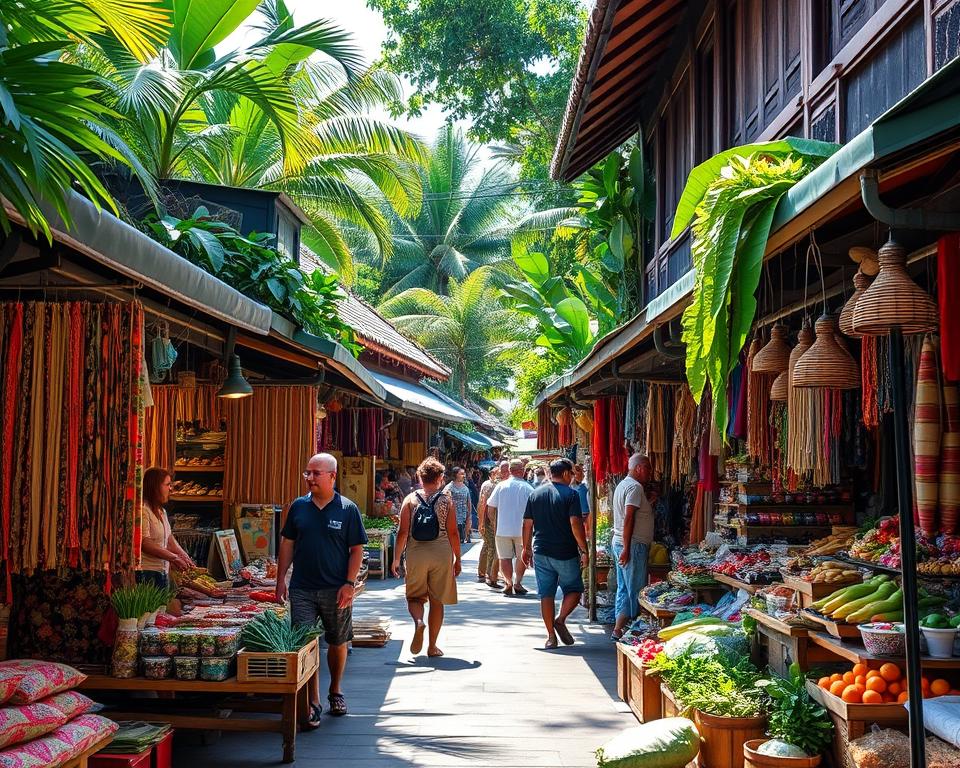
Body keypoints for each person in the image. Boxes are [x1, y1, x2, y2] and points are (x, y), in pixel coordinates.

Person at [276, 453, 366, 724]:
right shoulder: (297, 507)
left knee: (337, 640)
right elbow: (287, 544)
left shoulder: (348, 509)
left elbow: (356, 550)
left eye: (316, 473)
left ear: (332, 476)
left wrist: (349, 584)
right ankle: (312, 699)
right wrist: (281, 580)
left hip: (335, 588)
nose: (310, 478)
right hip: (302, 587)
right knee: (306, 643)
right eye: (307, 473)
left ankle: (335, 690)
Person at [392, 457, 461, 657]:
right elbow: (453, 532)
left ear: (419, 477)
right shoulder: (446, 500)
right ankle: (432, 646)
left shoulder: (410, 499)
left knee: (414, 597)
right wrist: (457, 558)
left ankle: (418, 622)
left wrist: (396, 559)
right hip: (441, 553)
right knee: (436, 600)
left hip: (416, 553)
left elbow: (402, 532)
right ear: (440, 478)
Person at [521, 458, 588, 648]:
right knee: (574, 590)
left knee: (546, 594)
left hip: (541, 550)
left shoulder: (536, 494)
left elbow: (527, 524)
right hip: (565, 551)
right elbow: (576, 524)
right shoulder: (572, 494)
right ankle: (560, 619)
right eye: (572, 474)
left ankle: (551, 636)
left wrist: (526, 548)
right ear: (566, 474)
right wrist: (584, 549)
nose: (573, 478)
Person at [611, 453, 654, 641]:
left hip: (622, 542)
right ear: (638, 468)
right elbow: (629, 518)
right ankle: (633, 630)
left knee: (624, 587)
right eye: (648, 468)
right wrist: (627, 548)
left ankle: (618, 628)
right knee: (636, 589)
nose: (650, 472)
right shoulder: (635, 488)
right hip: (632, 544)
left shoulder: (623, 485)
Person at [138, 467, 194, 589]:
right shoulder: (143, 510)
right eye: (167, 484)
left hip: (162, 570)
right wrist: (174, 557)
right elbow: (144, 542)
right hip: (148, 572)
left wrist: (183, 555)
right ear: (155, 487)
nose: (170, 488)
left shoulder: (161, 511)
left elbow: (169, 539)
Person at [486, 458, 534, 597]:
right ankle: (518, 583)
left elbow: (490, 508)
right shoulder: (528, 488)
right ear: (522, 471)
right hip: (522, 530)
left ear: (510, 471)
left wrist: (495, 523)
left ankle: (508, 583)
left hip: (502, 529)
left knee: (504, 557)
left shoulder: (501, 486)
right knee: (521, 557)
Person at [477, 462, 508, 588]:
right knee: (492, 547)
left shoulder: (488, 484)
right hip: (490, 521)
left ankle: (482, 572)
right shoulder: (492, 485)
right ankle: (490, 574)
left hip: (487, 520)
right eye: (499, 473)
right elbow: (486, 505)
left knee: (487, 545)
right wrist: (485, 522)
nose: (501, 475)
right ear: (492, 474)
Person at [444, 466, 473, 543]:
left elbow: (469, 503)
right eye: (461, 474)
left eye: (464, 474)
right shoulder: (449, 487)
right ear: (456, 475)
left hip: (463, 520)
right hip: (452, 519)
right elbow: (444, 502)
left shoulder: (465, 488)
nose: (464, 476)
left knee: (461, 542)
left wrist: (469, 517)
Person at [571, 463, 591, 531]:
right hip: (580, 517)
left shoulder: (584, 486)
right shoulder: (577, 488)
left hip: (585, 516)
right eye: (581, 472)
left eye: (583, 471)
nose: (583, 474)